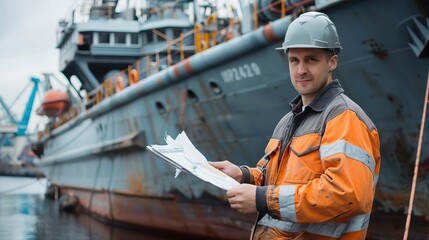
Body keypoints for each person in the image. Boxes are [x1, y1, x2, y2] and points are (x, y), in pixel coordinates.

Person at [210, 11, 381, 239]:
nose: (301, 70)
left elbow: (347, 194)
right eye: (294, 60)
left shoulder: (345, 118)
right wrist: (243, 175)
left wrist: (262, 199)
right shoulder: (289, 121)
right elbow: (272, 174)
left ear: (332, 61)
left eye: (311, 59)